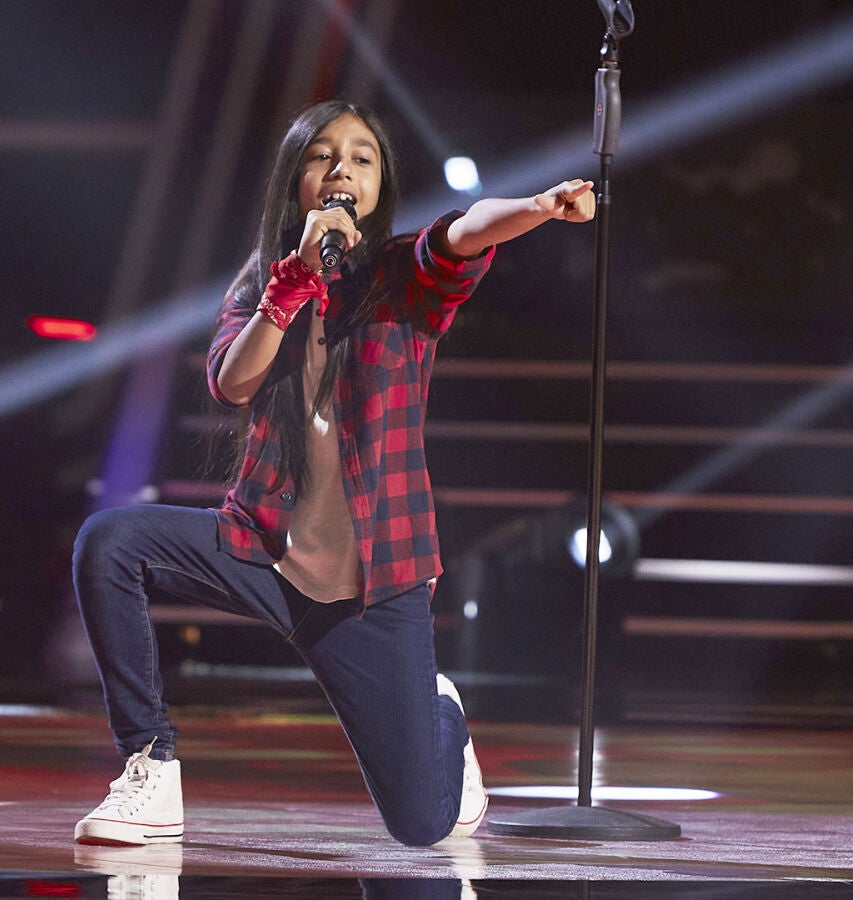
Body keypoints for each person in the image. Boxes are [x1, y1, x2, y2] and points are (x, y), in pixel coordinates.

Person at [72, 99, 595, 847]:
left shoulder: (404, 275)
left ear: (379, 185)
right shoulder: (260, 283)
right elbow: (232, 383)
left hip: (373, 585)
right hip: (261, 548)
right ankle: (149, 766)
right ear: (297, 180)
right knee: (110, 542)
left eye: (361, 157)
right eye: (321, 155)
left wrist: (538, 207)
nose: (341, 168)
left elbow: (465, 232)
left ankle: (441, 716)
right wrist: (287, 288)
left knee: (422, 825)